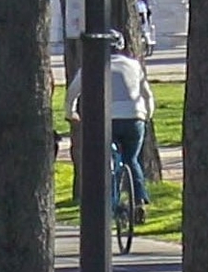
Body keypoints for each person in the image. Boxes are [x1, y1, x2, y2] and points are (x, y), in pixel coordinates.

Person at [66, 38, 154, 221]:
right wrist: (147, 115)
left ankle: (114, 205)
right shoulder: (134, 65)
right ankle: (140, 201)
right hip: (135, 117)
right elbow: (147, 94)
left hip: (108, 119)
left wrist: (71, 112)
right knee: (131, 159)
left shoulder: (92, 66)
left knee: (109, 162)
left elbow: (73, 92)